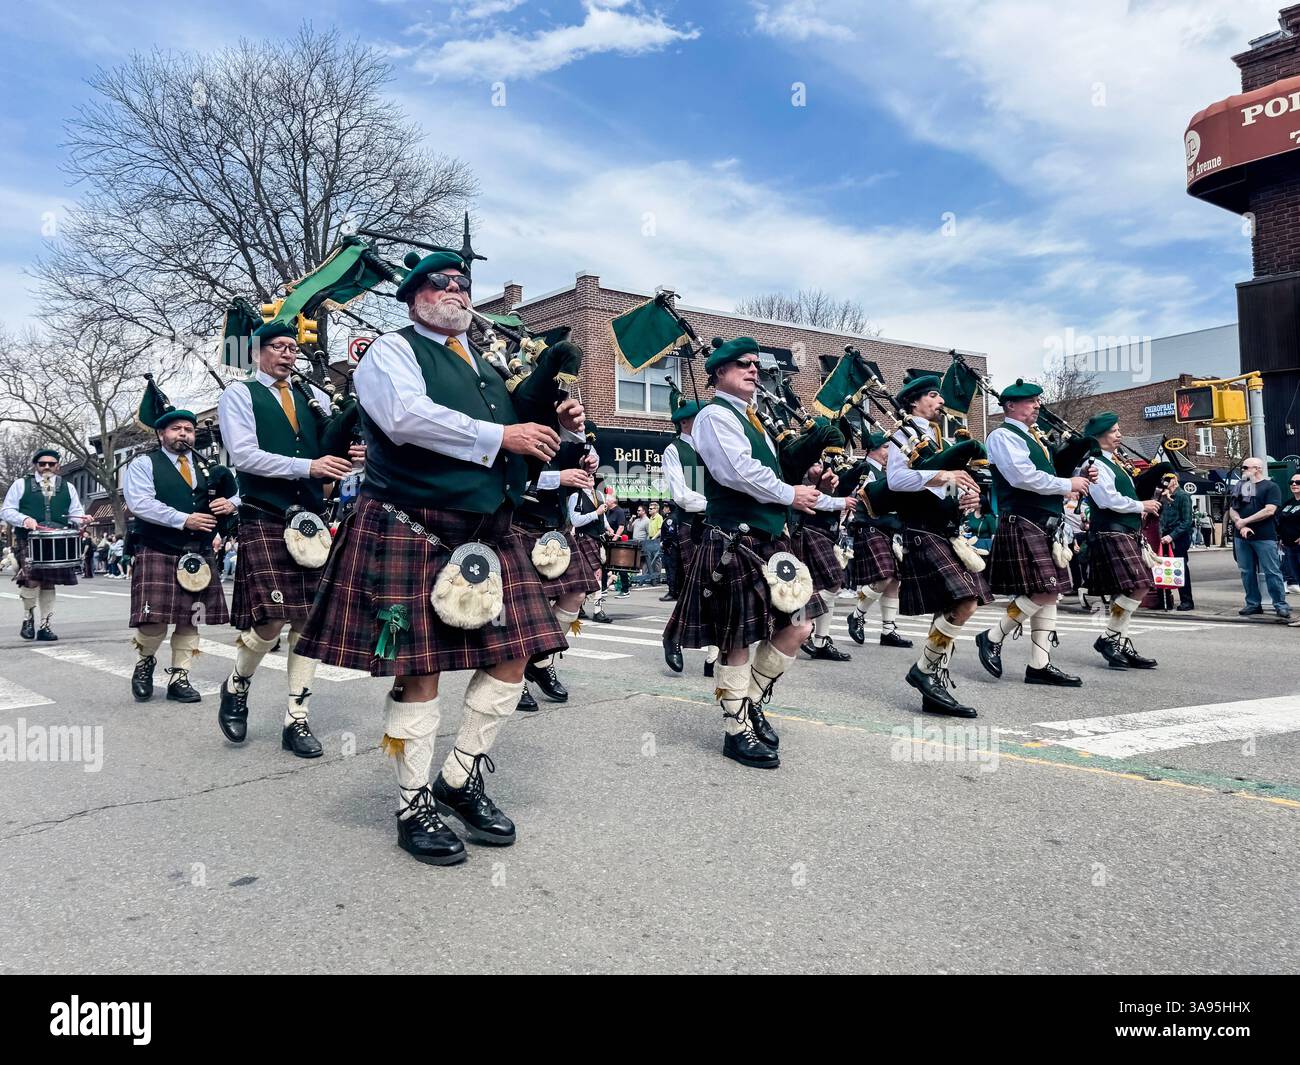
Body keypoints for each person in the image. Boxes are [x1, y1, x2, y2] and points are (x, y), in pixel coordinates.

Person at [294, 244, 585, 866]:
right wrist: (499, 433)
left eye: (462, 284)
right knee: (418, 671)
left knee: (515, 657)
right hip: (411, 523)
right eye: (440, 284)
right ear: (413, 298)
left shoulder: (483, 367)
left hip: (487, 530)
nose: (455, 291)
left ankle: (460, 776)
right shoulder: (391, 352)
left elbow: (517, 441)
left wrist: (545, 419)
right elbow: (404, 418)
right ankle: (412, 802)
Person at [663, 337, 828, 770]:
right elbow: (736, 472)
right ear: (718, 373)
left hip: (770, 539)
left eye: (756, 364)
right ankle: (736, 731)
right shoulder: (715, 416)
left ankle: (750, 702)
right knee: (736, 640)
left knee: (799, 626)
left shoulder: (754, 418)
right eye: (742, 365)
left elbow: (766, 470)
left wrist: (803, 470)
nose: (753, 370)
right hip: (734, 540)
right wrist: (790, 492)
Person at [216, 319, 355, 758]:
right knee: (272, 619)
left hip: (311, 519)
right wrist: (309, 468)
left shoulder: (312, 398)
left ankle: (296, 718)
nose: (287, 353)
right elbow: (244, 456)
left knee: (307, 621)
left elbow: (328, 451)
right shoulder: (239, 394)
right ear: (257, 353)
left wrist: (348, 456)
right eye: (277, 346)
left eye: (292, 347)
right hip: (266, 514)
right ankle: (237, 683)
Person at [975, 378, 1095, 688]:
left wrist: (1078, 475)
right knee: (1044, 589)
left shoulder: (1034, 437)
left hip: (1046, 521)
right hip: (1023, 518)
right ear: (1011, 406)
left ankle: (1039, 665)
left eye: (1038, 400)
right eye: (1031, 400)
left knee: (1051, 593)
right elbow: (1022, 477)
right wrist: (1068, 484)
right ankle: (992, 636)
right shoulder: (1003, 435)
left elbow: (1048, 474)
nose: (1038, 405)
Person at [886, 372, 990, 718]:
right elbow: (897, 481)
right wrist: (944, 475)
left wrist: (965, 496)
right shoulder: (903, 433)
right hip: (922, 529)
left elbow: (945, 486)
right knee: (965, 601)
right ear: (914, 401)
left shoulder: (938, 439)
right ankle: (925, 671)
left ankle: (933, 684)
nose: (941, 401)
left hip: (946, 529)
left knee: (949, 607)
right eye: (934, 395)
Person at [123, 404, 236, 703]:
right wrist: (183, 519)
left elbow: (235, 492)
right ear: (161, 433)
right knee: (153, 620)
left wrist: (231, 504)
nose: (184, 434)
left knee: (190, 618)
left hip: (197, 551)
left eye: (189, 429)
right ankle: (145, 662)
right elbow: (140, 503)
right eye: (176, 429)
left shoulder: (207, 467)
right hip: (158, 547)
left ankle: (179, 677)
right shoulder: (144, 464)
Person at [513, 424, 603, 711]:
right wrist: (559, 478)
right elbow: (511, 479)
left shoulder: (567, 428)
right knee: (522, 612)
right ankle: (515, 678)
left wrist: (587, 462)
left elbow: (579, 459)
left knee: (576, 594)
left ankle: (539, 658)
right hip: (518, 525)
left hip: (556, 527)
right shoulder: (519, 417)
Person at [1081, 412, 1163, 667]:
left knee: (1126, 590)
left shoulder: (1113, 462)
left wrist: (1153, 499)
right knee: (1140, 584)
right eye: (1114, 431)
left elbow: (1125, 494)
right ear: (1100, 436)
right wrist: (1142, 504)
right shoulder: (1094, 465)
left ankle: (1120, 643)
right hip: (1111, 530)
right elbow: (1107, 500)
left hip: (1124, 531)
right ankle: (1110, 638)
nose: (1119, 435)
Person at [2, 449, 90, 640]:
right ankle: (28, 619)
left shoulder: (68, 487)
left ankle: (45, 626)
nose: (47, 467)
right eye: (43, 464)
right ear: (36, 465)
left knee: (49, 582)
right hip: (29, 539)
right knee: (31, 580)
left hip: (56, 540)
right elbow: (7, 510)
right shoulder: (21, 484)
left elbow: (75, 512)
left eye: (51, 463)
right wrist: (24, 519)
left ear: (58, 465)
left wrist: (83, 519)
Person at [660, 397, 719, 675]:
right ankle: (673, 636)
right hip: (692, 525)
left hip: (719, 524)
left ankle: (713, 656)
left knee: (719, 588)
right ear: (684, 422)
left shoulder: (715, 448)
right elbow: (682, 496)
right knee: (699, 588)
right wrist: (716, 505)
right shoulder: (675, 450)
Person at [846, 431, 912, 650]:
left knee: (894, 580)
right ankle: (857, 615)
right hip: (870, 526)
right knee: (884, 577)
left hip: (887, 529)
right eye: (885, 447)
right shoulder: (865, 468)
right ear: (873, 448)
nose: (889, 452)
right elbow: (867, 497)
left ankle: (888, 630)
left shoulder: (885, 472)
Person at [792, 459, 855, 662]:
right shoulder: (796, 471)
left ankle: (820, 640)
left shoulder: (832, 473)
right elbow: (810, 499)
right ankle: (801, 628)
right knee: (822, 584)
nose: (819, 468)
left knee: (829, 584)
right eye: (815, 464)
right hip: (806, 530)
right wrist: (841, 502)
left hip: (825, 533)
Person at [1228, 457, 1290, 619]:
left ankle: (1280, 604)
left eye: (1246, 467)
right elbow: (1234, 509)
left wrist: (1245, 521)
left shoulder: (1270, 487)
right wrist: (1239, 523)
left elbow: (1269, 510)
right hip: (1242, 536)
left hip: (1264, 536)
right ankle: (1253, 604)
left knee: (1272, 571)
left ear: (1257, 468)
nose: (1243, 470)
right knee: (1246, 571)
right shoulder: (1244, 487)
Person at [570, 476, 614, 624]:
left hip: (598, 539)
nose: (590, 478)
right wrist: (596, 513)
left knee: (598, 574)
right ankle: (585, 609)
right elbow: (575, 520)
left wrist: (607, 527)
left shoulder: (599, 494)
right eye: (586, 475)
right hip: (583, 539)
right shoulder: (576, 497)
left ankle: (596, 610)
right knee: (585, 576)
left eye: (591, 476)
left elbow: (604, 516)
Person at [1157, 472, 1195, 611]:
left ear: (1175, 480)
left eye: (1168, 478)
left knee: (1180, 567)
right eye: (1164, 478)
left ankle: (1187, 600)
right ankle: (1164, 599)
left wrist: (1171, 536)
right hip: (1164, 535)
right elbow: (1160, 517)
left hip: (1178, 537)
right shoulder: (1163, 497)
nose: (1165, 481)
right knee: (1163, 567)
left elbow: (1186, 521)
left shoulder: (1183, 496)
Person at [1279, 473, 1300, 596]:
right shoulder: (1288, 503)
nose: (1294, 484)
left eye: (1298, 482)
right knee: (1295, 575)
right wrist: (1281, 537)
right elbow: (1281, 521)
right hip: (1288, 545)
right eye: (1291, 482)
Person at [659, 501, 678, 602]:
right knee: (674, 570)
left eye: (665, 507)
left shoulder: (669, 519)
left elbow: (670, 535)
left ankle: (672, 592)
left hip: (670, 549)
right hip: (675, 549)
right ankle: (674, 591)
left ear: (669, 509)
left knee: (670, 571)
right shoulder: (676, 517)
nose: (663, 509)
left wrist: (663, 544)